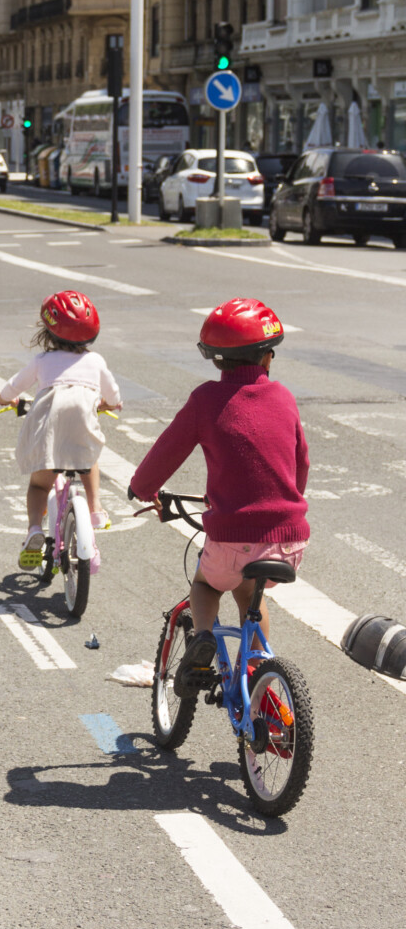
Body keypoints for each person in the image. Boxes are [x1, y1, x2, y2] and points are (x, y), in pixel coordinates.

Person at [129, 298, 309, 696]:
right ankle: (260, 673)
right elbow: (301, 464)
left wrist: (142, 488)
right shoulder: (284, 397)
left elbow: (166, 452)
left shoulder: (206, 400)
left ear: (215, 360)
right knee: (251, 591)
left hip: (232, 541)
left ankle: (203, 638)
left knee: (209, 584)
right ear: (267, 358)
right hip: (290, 539)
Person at [0, 291, 122, 573]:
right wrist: (108, 404)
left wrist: (4, 399)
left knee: (40, 484)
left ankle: (33, 529)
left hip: (47, 422)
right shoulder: (96, 361)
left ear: (49, 332)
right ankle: (95, 509)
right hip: (82, 420)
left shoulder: (42, 360)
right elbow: (114, 395)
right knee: (88, 458)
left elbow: (13, 387)